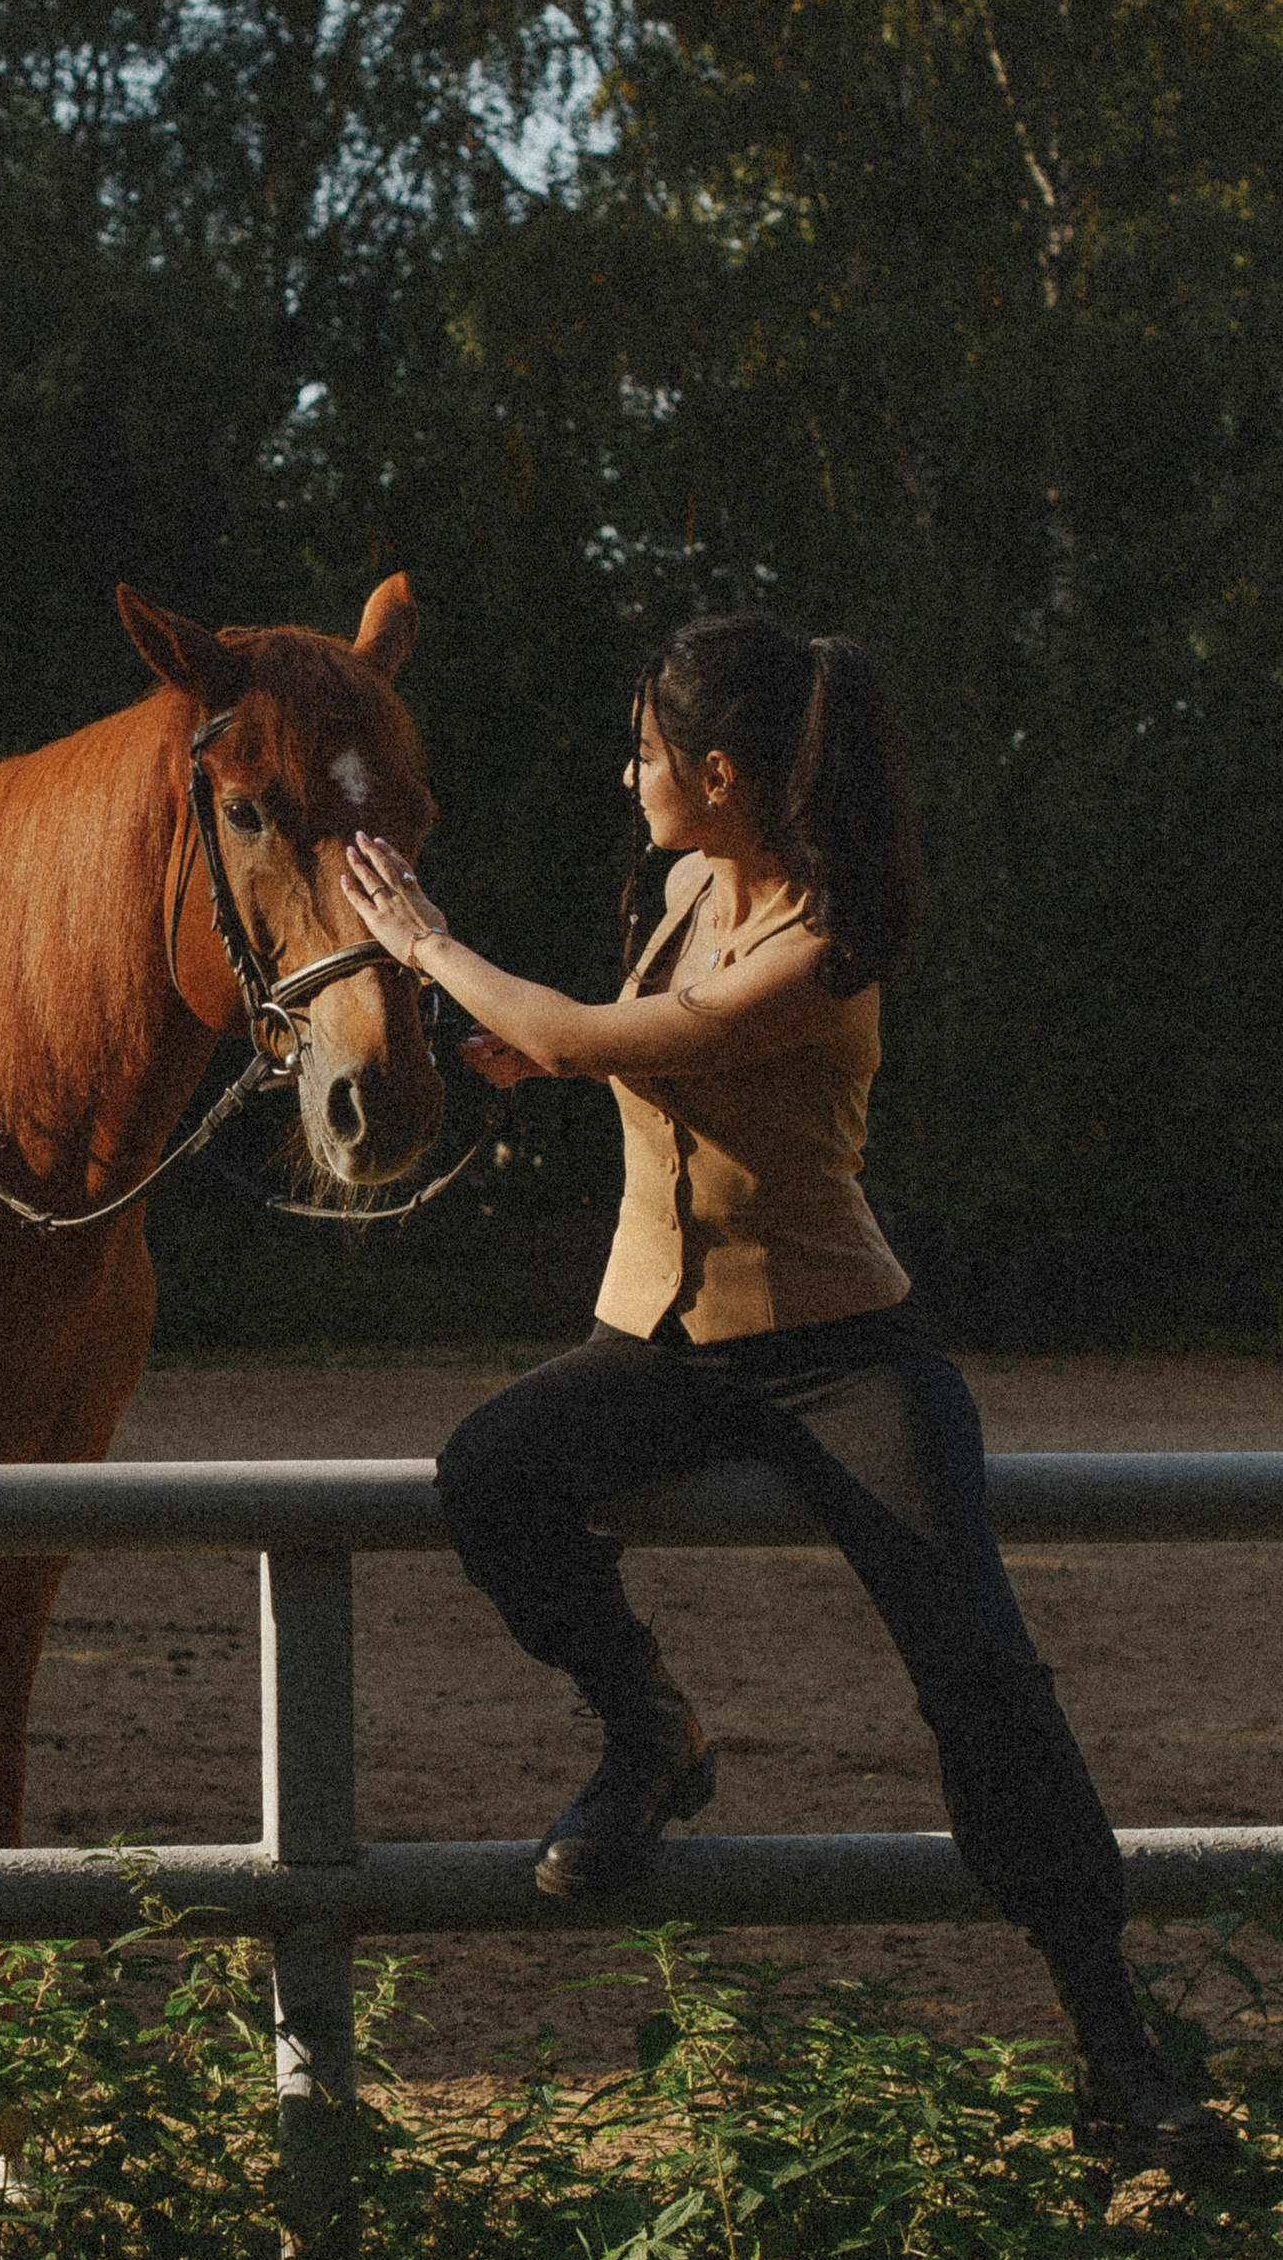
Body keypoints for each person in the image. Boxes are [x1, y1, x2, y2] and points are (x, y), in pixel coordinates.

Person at [338, 611, 1229, 2172]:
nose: (630, 777)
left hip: (837, 1350)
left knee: (985, 1680)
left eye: (645, 754)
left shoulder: (824, 941)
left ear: (723, 775)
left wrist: (432, 949)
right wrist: (543, 1059)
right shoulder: (685, 888)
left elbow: (589, 1030)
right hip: (658, 1345)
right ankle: (650, 1729)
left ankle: (1116, 2054)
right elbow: (603, 1053)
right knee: (491, 1475)